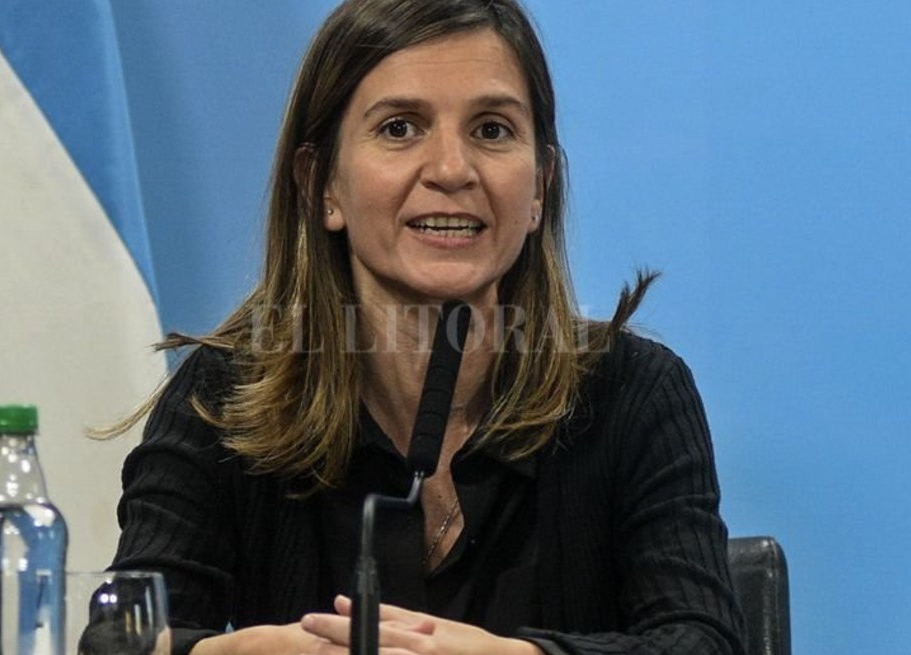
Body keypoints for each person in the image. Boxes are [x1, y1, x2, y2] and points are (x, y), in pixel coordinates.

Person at [108, 0, 747, 653]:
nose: (450, 170)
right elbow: (121, 638)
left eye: (492, 130)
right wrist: (243, 653)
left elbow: (703, 642)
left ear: (539, 188)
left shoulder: (631, 393)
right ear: (321, 183)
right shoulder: (227, 397)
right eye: (400, 128)